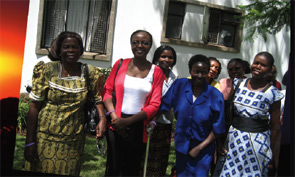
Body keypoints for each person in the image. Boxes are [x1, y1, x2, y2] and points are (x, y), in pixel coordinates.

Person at [24, 31, 106, 176]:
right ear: (59, 50)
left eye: (75, 47)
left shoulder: (91, 73)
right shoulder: (46, 70)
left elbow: (98, 98)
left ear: (81, 51)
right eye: (66, 47)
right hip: (45, 138)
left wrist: (102, 119)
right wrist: (30, 142)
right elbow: (34, 106)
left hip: (73, 141)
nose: (71, 51)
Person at [102, 30, 165, 176]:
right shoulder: (120, 64)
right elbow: (107, 91)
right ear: (131, 44)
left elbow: (155, 105)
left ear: (150, 46)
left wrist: (128, 121)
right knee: (113, 167)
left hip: (138, 125)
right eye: (135, 42)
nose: (140, 46)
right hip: (115, 122)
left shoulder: (156, 72)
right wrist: (115, 117)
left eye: (145, 42)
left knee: (132, 168)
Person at [215, 52, 284, 177]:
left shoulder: (274, 94)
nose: (258, 66)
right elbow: (228, 114)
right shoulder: (238, 84)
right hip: (234, 140)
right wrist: (221, 140)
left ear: (270, 69)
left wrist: (273, 154)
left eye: (263, 65)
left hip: (257, 145)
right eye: (256, 63)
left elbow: (275, 127)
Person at [160, 54, 225, 177]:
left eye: (204, 72)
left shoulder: (215, 95)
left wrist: (199, 148)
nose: (200, 76)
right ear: (190, 71)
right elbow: (163, 105)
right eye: (196, 72)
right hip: (182, 145)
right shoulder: (179, 85)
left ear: (208, 73)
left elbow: (218, 128)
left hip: (203, 148)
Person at [143, 45, 178, 176]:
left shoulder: (175, 77)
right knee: (146, 156)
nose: (167, 60)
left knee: (161, 157)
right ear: (157, 57)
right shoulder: (150, 73)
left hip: (165, 122)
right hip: (148, 120)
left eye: (170, 57)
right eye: (163, 56)